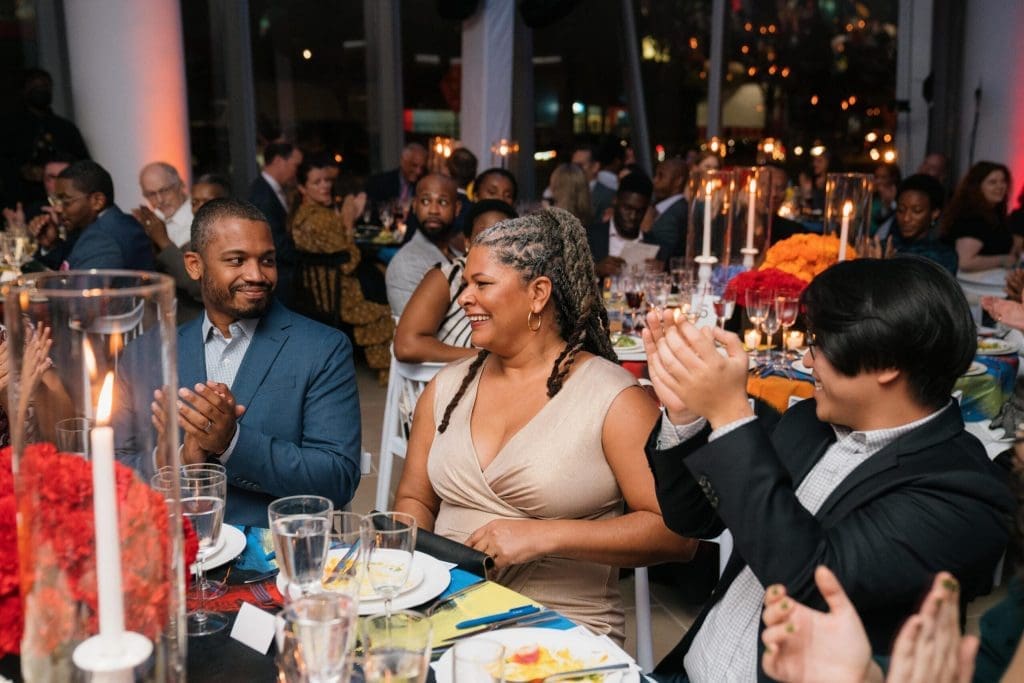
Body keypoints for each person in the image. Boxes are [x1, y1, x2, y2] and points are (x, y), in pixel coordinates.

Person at [642, 257, 1013, 681]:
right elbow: (691, 517)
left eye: (819, 344)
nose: (805, 361)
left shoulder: (963, 493)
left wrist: (729, 414)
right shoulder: (808, 423)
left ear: (886, 362)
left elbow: (810, 583)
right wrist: (686, 414)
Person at [393, 208, 698, 642]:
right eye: (465, 284)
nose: (463, 298)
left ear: (538, 293)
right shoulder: (447, 388)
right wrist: (410, 557)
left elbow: (677, 534)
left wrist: (541, 537)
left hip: (558, 630)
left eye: (481, 284)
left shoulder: (613, 399)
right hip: (443, 611)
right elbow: (413, 497)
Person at [170, 197, 361, 526]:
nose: (257, 275)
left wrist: (232, 442)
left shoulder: (322, 348)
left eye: (267, 261)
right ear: (194, 265)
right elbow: (121, 463)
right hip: (172, 547)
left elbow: (337, 479)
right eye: (237, 260)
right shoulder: (158, 350)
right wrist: (184, 461)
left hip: (271, 555)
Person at [289, 154, 394, 378]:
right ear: (302, 188)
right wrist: (348, 222)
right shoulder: (319, 219)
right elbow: (349, 260)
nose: (325, 186)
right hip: (336, 293)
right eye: (317, 182)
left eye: (326, 180)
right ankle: (390, 371)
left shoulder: (304, 214)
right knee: (387, 305)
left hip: (319, 290)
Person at [393, 199, 517, 363]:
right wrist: (487, 360)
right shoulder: (447, 277)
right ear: (467, 243)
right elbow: (406, 346)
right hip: (455, 379)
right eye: (484, 236)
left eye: (504, 238)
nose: (494, 245)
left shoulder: (522, 281)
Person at [137, 173, 231, 323]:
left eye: (207, 201)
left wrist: (163, 241)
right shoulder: (198, 236)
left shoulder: (230, 239)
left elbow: (198, 285)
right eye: (195, 203)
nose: (199, 208)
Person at [0, 69, 89, 209]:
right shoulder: (9, 129)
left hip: (65, 204)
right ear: (24, 90)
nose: (41, 90)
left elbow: (84, 165)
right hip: (21, 203)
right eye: (35, 86)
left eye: (44, 86)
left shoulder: (66, 128)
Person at [49, 160, 155, 271]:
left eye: (66, 202)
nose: (59, 209)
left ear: (97, 201)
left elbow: (79, 287)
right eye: (57, 201)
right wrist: (51, 244)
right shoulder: (118, 223)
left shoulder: (102, 240)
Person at [385, 173, 462, 317]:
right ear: (414, 206)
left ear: (457, 208)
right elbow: (413, 333)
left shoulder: (458, 254)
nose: (433, 210)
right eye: (425, 201)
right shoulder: (405, 264)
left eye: (443, 202)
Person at [869, 174, 957, 275]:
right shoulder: (882, 248)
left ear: (934, 213)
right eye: (901, 210)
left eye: (917, 211)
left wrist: (887, 267)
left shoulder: (944, 256)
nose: (906, 218)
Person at [248, 141, 302, 301]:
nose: (296, 172)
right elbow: (273, 241)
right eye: (295, 165)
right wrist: (303, 257)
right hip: (279, 278)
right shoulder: (263, 194)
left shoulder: (271, 189)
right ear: (279, 161)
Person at [940, 161, 1017, 272]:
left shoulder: (994, 214)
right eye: (992, 182)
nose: (1000, 186)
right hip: (970, 286)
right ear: (977, 187)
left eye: (1003, 181)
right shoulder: (971, 217)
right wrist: (1003, 260)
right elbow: (965, 262)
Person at [586, 171, 659, 277]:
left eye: (639, 211)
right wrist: (596, 271)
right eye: (627, 208)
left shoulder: (654, 244)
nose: (633, 216)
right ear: (615, 200)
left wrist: (659, 274)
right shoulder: (588, 238)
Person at [135, 162, 193, 249]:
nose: (160, 200)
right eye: (151, 194)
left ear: (180, 185)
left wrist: (162, 240)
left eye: (164, 190)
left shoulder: (199, 217)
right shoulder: (151, 221)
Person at [644, 157, 688, 263]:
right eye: (656, 175)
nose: (655, 180)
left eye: (661, 176)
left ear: (678, 181)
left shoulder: (677, 213)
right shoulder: (662, 209)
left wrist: (646, 230)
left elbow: (662, 254)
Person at [364, 142, 428, 208]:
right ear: (403, 162)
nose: (418, 171)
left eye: (422, 167)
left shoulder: (423, 186)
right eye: (414, 165)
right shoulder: (379, 183)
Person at [572, 144, 614, 221]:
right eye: (573, 166)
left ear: (595, 167)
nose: (575, 170)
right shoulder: (567, 191)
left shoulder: (608, 196)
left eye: (580, 166)